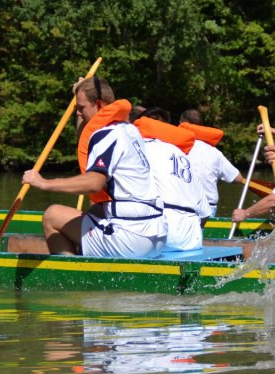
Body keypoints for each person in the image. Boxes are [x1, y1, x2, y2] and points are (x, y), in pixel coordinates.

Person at [22, 77, 167, 258]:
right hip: (157, 235)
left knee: (52, 215)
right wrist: (81, 91)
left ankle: (71, 277)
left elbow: (94, 183)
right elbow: (87, 135)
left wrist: (44, 183)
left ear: (98, 104)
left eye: (81, 108)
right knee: (93, 211)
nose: (78, 113)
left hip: (130, 239)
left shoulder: (108, 134)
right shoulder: (130, 130)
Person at [137, 108, 211, 251]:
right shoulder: (183, 155)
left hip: (164, 234)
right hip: (193, 240)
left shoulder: (140, 148)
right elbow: (205, 213)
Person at [180, 109, 243, 217]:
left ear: (181, 124)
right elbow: (238, 178)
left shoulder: (176, 147)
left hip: (183, 206)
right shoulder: (214, 152)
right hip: (208, 208)